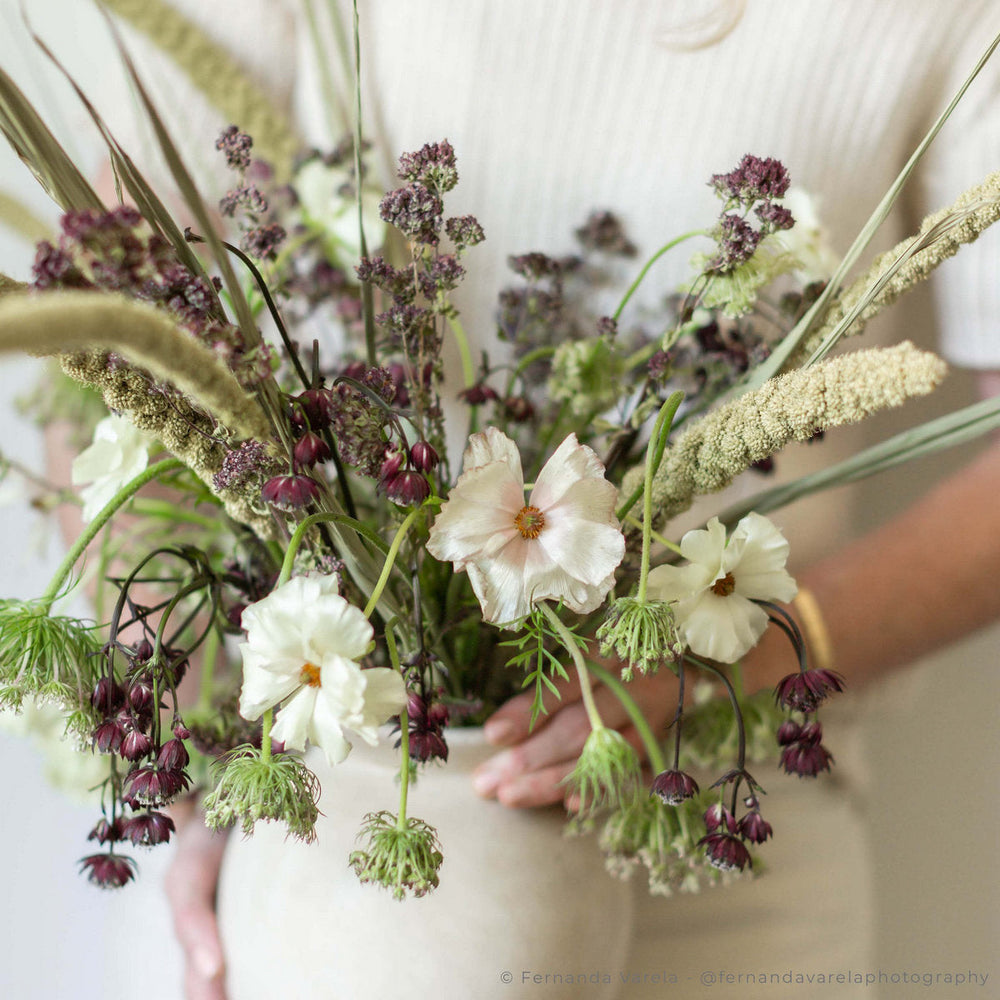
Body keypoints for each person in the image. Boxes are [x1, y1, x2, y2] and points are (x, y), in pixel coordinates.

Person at [14, 1, 1000, 997]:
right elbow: (130, 285)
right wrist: (176, 758)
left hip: (715, 844)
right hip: (323, 815)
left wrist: (724, 667)